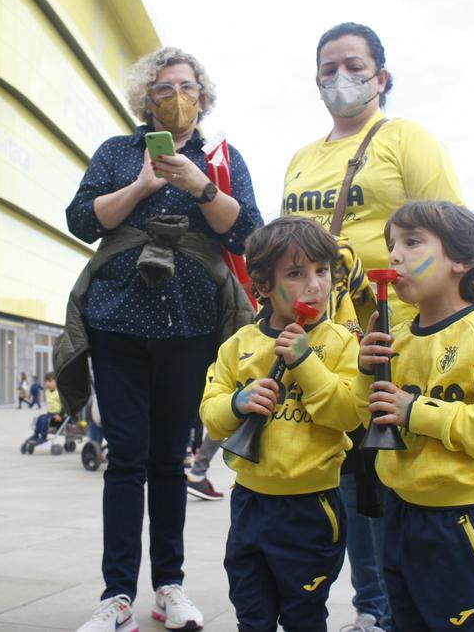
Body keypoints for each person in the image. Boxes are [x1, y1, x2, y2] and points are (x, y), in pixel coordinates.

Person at [63, 46, 262, 632]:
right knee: (126, 457)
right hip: (116, 317)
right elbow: (80, 219)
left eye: (188, 86)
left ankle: (170, 586)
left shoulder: (220, 158)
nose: (178, 97)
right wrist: (141, 188)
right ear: (145, 98)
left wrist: (201, 186)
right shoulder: (118, 152)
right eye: (164, 88)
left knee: (171, 460)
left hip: (192, 322)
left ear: (204, 95)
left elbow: (248, 230)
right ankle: (117, 592)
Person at [284, 22, 465, 632]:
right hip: (327, 341)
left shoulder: (406, 139)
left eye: (355, 65)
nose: (341, 77)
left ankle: (396, 606)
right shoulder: (302, 161)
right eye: (328, 68)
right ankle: (372, 607)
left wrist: (446, 324)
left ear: (381, 76)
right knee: (348, 474)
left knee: (392, 471)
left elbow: (451, 232)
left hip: (399, 332)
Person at [355, 200, 474, 630]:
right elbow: (367, 416)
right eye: (391, 244)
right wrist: (364, 373)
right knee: (406, 619)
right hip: (401, 512)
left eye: (412, 242)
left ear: (463, 261)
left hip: (461, 518)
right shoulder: (397, 338)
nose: (394, 255)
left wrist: (416, 411)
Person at [201, 216, 361, 631]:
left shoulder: (340, 341)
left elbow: (348, 413)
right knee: (251, 611)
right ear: (262, 285)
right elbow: (211, 415)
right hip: (251, 502)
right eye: (296, 273)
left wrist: (306, 362)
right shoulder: (239, 346)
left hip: (312, 507)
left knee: (303, 614)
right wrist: (238, 403)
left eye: (322, 271)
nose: (315, 285)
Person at [26, 373, 63, 446]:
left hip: (57, 416)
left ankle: (43, 436)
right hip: (50, 414)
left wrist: (60, 415)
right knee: (40, 418)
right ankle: (36, 435)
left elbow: (65, 407)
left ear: (56, 382)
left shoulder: (59, 393)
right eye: (46, 382)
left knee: (45, 420)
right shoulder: (47, 392)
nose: (47, 384)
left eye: (50, 381)